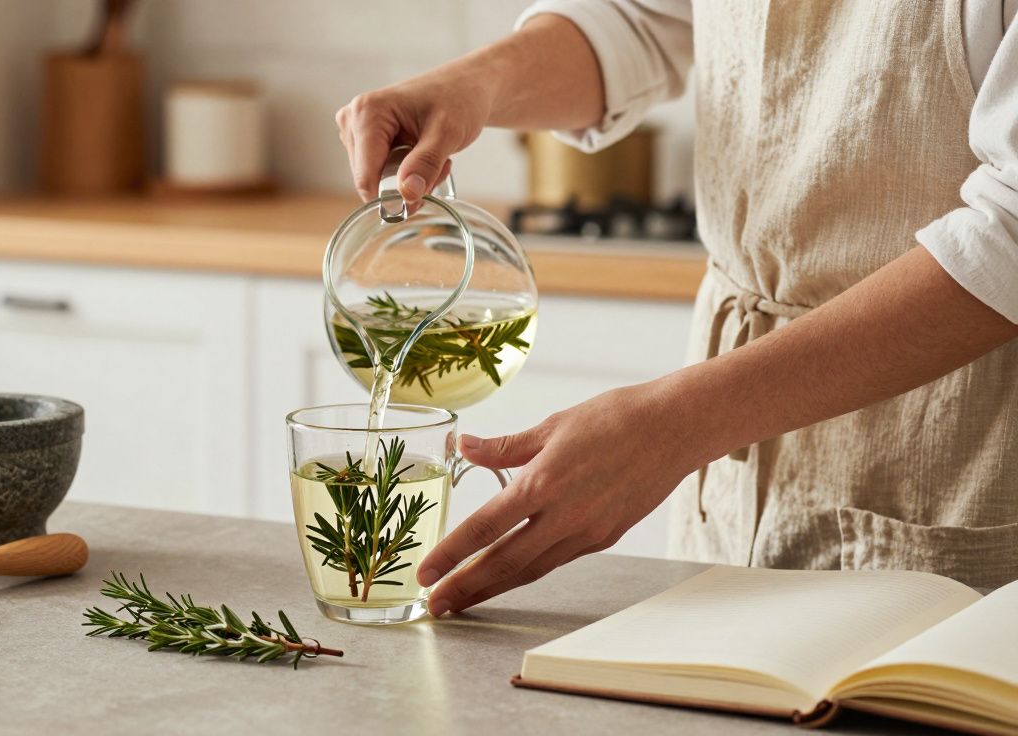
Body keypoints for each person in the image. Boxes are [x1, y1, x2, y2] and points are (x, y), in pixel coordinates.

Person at [335, 0, 1018, 617]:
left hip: (952, 437)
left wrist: (677, 426)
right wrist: (480, 82)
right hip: (726, 453)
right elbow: (640, 18)